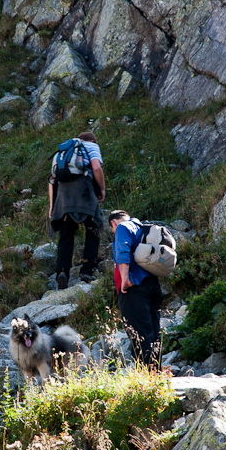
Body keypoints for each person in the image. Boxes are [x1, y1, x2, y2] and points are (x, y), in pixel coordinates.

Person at [48, 131, 106, 289]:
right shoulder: (92, 146)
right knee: (93, 229)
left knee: (66, 236)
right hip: (84, 193)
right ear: (92, 140)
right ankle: (87, 271)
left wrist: (52, 206)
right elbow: (96, 167)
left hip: (63, 197)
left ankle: (62, 272)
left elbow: (52, 180)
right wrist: (102, 189)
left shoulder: (64, 151)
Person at [109, 210, 164, 369]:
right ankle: (156, 371)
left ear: (113, 223)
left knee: (138, 332)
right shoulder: (143, 228)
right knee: (153, 330)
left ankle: (147, 376)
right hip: (153, 285)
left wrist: (125, 279)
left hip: (134, 288)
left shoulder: (122, 227)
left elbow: (123, 252)